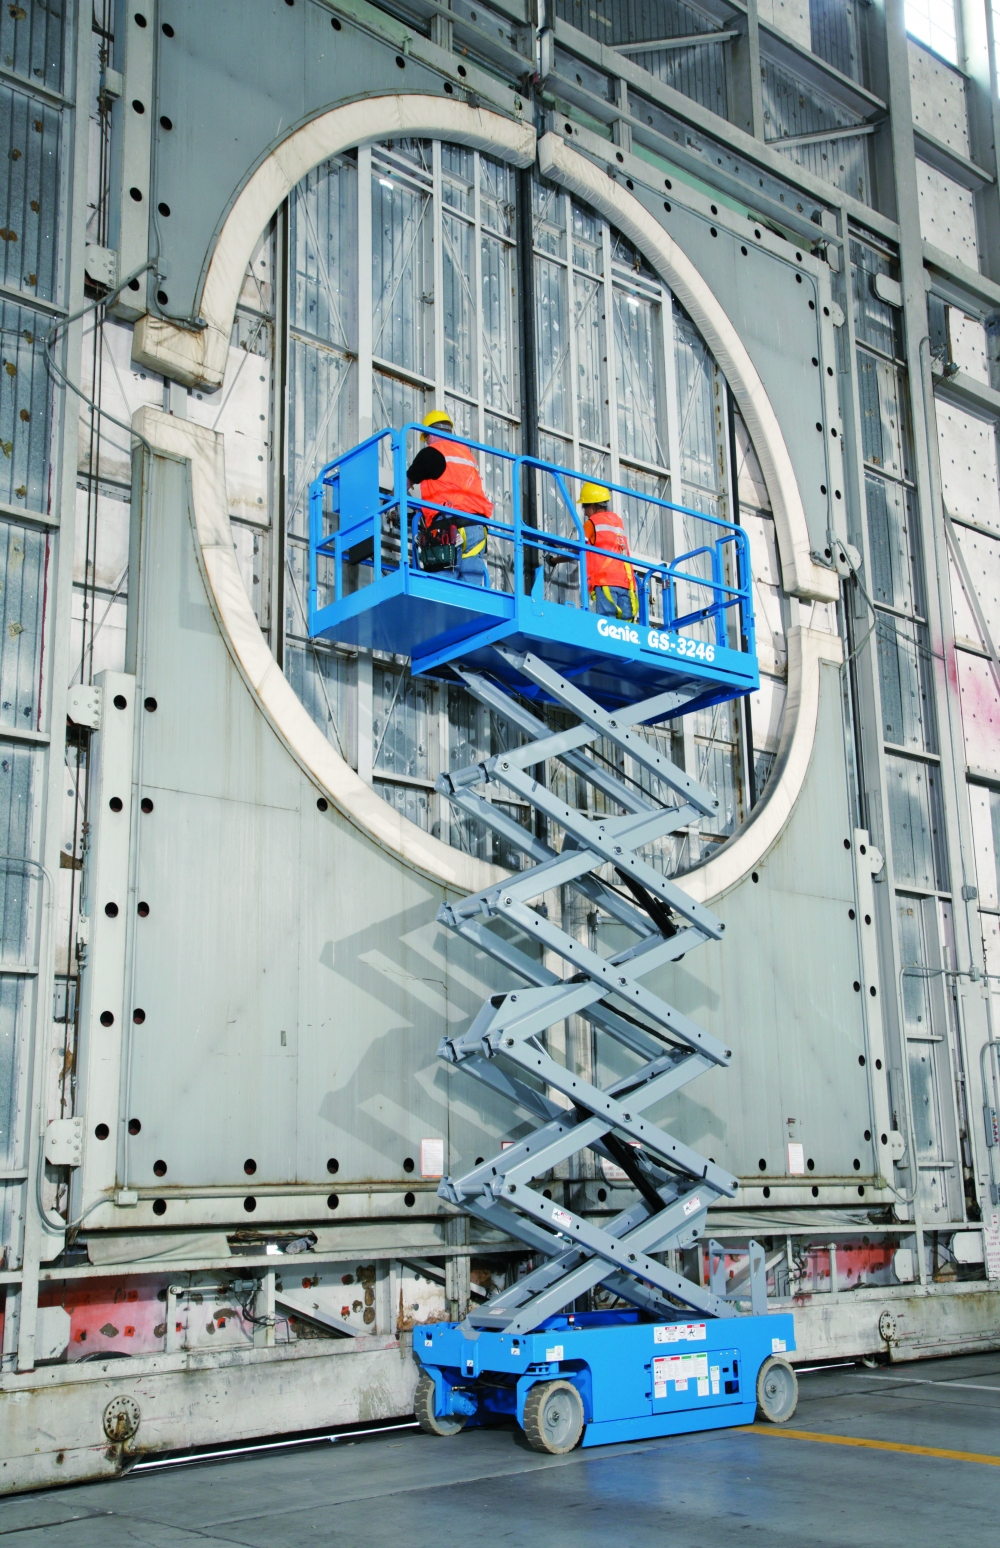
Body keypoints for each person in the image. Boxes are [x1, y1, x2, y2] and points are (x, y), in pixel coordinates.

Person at [405, 410, 492, 587]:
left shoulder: (432, 453)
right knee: (470, 597)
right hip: (476, 529)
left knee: (442, 591)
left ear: (430, 434)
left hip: (448, 527)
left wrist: (393, 499)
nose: (427, 442)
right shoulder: (466, 454)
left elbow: (404, 482)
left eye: (426, 438)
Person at [579, 482, 638, 620]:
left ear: (592, 506)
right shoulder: (617, 521)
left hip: (606, 580)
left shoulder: (592, 522)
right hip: (627, 582)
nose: (585, 513)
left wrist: (554, 560)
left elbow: (579, 548)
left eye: (584, 508)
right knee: (625, 631)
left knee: (607, 624)